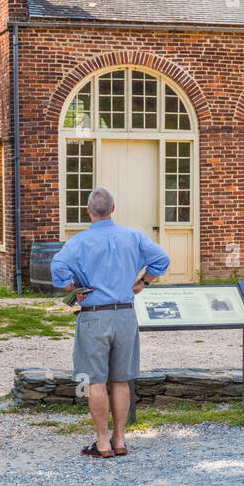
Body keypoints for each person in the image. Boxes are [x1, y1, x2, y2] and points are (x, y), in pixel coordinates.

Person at [50, 187, 170, 459]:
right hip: (126, 314)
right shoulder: (134, 236)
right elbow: (162, 259)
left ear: (88, 211)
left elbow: (57, 267)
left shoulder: (78, 242)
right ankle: (120, 439)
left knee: (94, 381)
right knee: (120, 380)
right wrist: (144, 282)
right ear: (113, 209)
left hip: (94, 315)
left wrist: (72, 287)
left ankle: (102, 442)